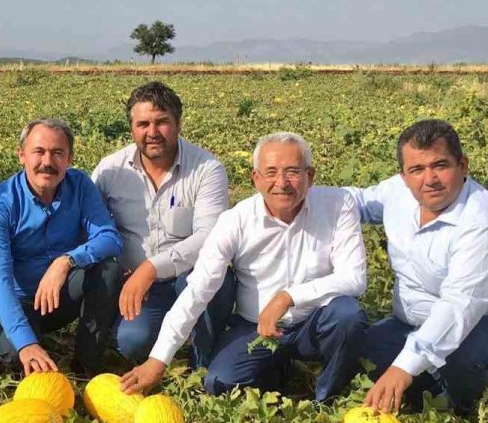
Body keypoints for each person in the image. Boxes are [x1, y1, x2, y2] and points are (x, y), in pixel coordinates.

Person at [127, 132, 368, 400]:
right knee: (220, 382)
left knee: (347, 315)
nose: (281, 183)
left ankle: (327, 395)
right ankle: (276, 368)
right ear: (255, 179)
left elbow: (354, 278)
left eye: (292, 172)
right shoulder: (236, 220)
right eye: (271, 173)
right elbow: (198, 289)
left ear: (310, 176)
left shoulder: (338, 205)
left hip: (314, 323)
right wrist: (158, 360)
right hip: (255, 328)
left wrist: (287, 297)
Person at [351, 119, 488, 416]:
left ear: (462, 166)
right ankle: (425, 381)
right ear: (403, 176)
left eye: (440, 165)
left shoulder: (482, 221)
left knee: (456, 358)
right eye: (417, 169)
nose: (429, 179)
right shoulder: (397, 193)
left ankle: (450, 409)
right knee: (360, 351)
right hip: (417, 322)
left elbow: (460, 306)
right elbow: (356, 202)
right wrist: (294, 193)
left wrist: (403, 367)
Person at [92, 81, 234, 374]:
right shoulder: (109, 171)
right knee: (131, 342)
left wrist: (151, 268)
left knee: (217, 277)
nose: (152, 132)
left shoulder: (206, 169)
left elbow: (210, 237)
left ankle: (201, 364)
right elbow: (93, 229)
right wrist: (126, 274)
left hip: (190, 277)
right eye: (143, 124)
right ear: (131, 128)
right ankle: (162, 338)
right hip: (137, 284)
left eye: (162, 122)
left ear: (178, 124)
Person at [0, 118, 124, 376]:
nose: (47, 162)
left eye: (57, 153)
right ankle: (26, 337)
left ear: (69, 158)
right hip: (17, 299)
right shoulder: (0, 204)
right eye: (39, 151)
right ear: (22, 156)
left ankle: (86, 364)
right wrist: (26, 343)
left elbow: (109, 238)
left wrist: (66, 261)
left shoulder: (79, 185)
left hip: (59, 297)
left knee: (108, 270)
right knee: (14, 356)